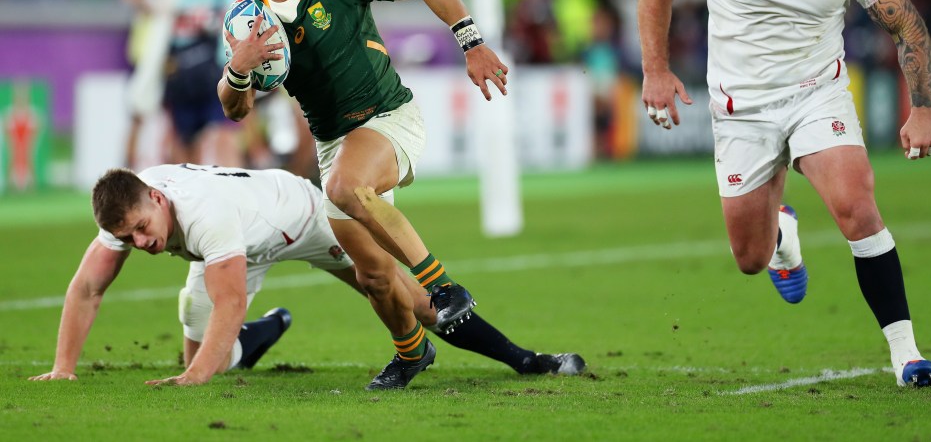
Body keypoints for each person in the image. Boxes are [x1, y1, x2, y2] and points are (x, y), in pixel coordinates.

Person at [636, 0, 931, 389]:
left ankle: (907, 355)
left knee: (856, 207)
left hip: (815, 97)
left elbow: (909, 27)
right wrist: (656, 72)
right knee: (750, 259)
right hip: (740, 112)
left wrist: (922, 109)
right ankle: (782, 236)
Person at [219, 0, 516, 389]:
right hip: (334, 144)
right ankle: (412, 352)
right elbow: (235, 108)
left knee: (343, 187)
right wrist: (238, 69)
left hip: (389, 118)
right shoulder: (250, 21)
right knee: (374, 276)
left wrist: (471, 41)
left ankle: (442, 286)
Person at [28, 164, 585, 387]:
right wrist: (63, 369)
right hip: (236, 245)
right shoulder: (128, 205)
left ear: (157, 198)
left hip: (301, 217)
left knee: (408, 299)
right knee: (204, 359)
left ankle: (528, 360)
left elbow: (228, 306)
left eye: (143, 229)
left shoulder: (203, 214)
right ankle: (270, 331)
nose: (141, 244)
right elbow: (87, 287)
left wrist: (193, 381)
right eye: (128, 238)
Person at [120, 0, 249, 168]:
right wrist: (157, 5)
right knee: (181, 139)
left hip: (219, 65)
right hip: (177, 65)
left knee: (222, 134)